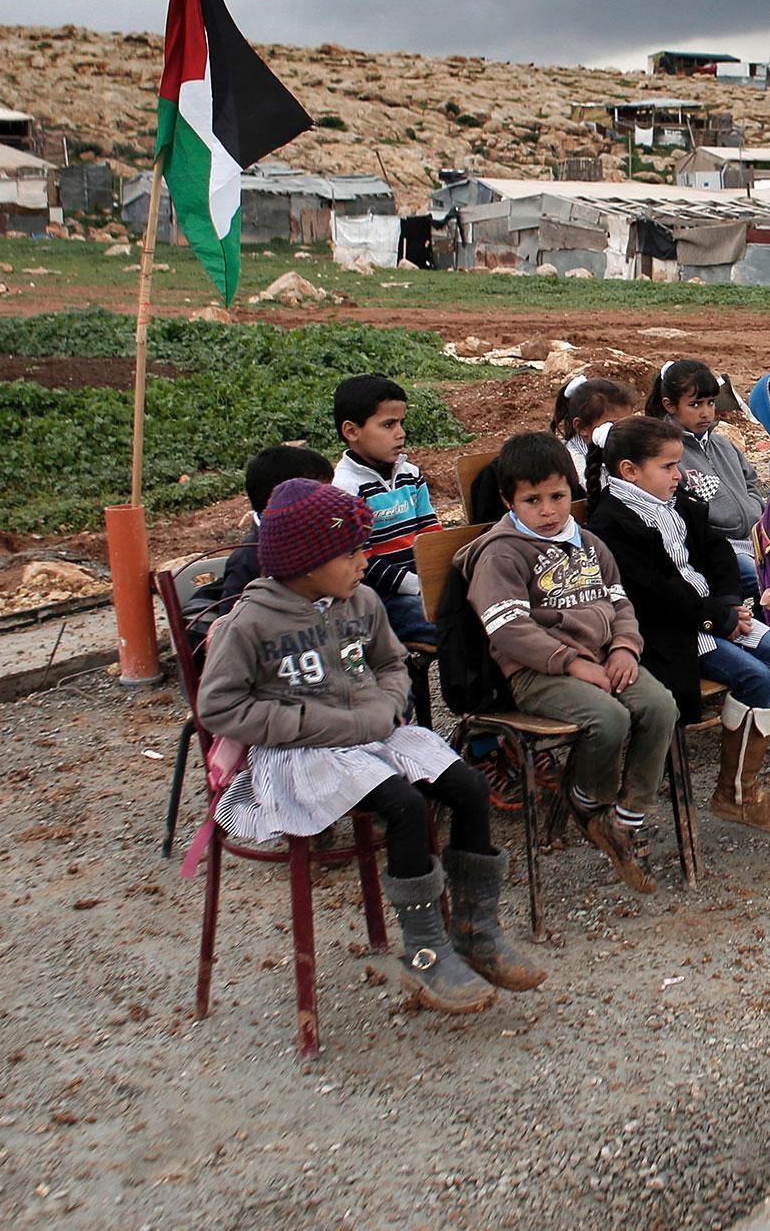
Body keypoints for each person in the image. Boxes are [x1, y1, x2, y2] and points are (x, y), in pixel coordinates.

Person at [195, 478, 544, 1013]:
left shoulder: (361, 602)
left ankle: (477, 932)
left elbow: (390, 663)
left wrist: (384, 706)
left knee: (469, 789)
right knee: (404, 807)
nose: (366, 561)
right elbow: (219, 708)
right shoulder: (252, 622)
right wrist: (315, 722)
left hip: (376, 733)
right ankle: (425, 954)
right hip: (299, 753)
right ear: (307, 560)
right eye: (352, 551)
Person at [590, 415, 770, 831]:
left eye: (677, 463)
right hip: (670, 633)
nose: (678, 474)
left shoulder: (674, 501)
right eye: (667, 466)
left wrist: (726, 604)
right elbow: (654, 593)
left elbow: (717, 552)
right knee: (756, 678)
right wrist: (717, 617)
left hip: (712, 615)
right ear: (629, 471)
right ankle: (737, 793)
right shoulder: (612, 524)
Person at [454, 433, 678, 893]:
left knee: (660, 706)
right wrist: (573, 663)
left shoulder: (589, 543)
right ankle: (589, 803)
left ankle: (629, 816)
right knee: (609, 718)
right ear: (507, 501)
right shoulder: (501, 553)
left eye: (557, 496)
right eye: (531, 500)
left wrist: (622, 649)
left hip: (603, 659)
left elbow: (620, 604)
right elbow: (508, 629)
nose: (548, 510)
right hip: (539, 673)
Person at [330, 373, 440, 645]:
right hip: (382, 598)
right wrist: (418, 587)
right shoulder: (345, 490)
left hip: (423, 586)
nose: (400, 433)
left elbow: (430, 532)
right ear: (351, 431)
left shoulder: (410, 475)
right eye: (388, 424)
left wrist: (440, 575)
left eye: (401, 423)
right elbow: (361, 560)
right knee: (450, 628)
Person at [186, 443, 333, 640]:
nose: (331, 506)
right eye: (322, 499)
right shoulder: (249, 559)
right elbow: (232, 632)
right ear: (281, 503)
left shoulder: (319, 540)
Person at [659, 358, 766, 596]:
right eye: (695, 404)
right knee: (764, 580)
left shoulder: (722, 444)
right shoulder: (666, 452)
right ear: (670, 405)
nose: (706, 412)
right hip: (714, 548)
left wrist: (754, 508)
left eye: (710, 403)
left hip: (753, 539)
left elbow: (750, 481)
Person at [551, 374, 638, 504]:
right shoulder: (570, 472)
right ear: (581, 427)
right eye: (613, 424)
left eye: (628, 423)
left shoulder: (627, 451)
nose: (623, 431)